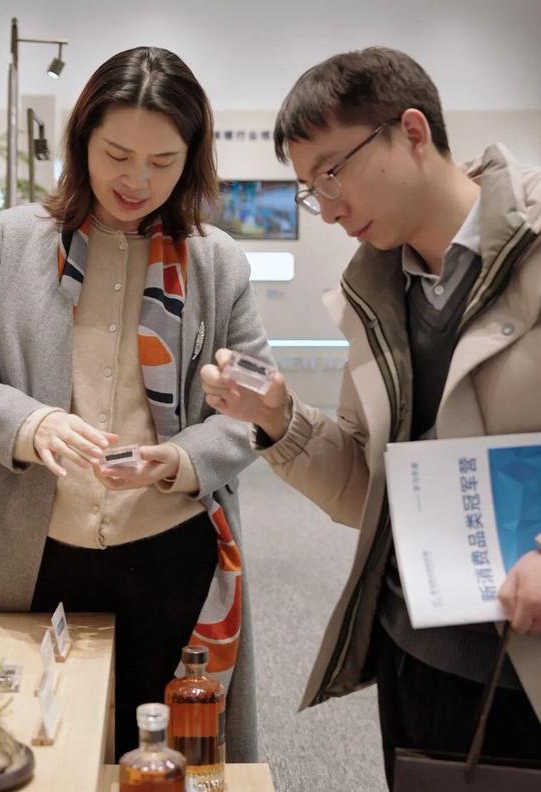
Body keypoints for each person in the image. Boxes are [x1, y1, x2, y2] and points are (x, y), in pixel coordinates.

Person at [201, 46, 541, 789]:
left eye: (333, 171)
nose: (325, 205)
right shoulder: (375, 291)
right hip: (415, 651)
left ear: (412, 131)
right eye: (307, 188)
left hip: (528, 665)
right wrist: (281, 421)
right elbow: (373, 488)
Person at [0, 46, 271, 762]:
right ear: (81, 138)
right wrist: (33, 423)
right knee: (20, 741)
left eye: (164, 161)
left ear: (193, 158)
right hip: (33, 545)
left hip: (169, 548)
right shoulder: (16, 240)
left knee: (161, 750)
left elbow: (254, 411)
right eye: (118, 153)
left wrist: (178, 458)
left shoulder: (217, 263)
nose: (137, 180)